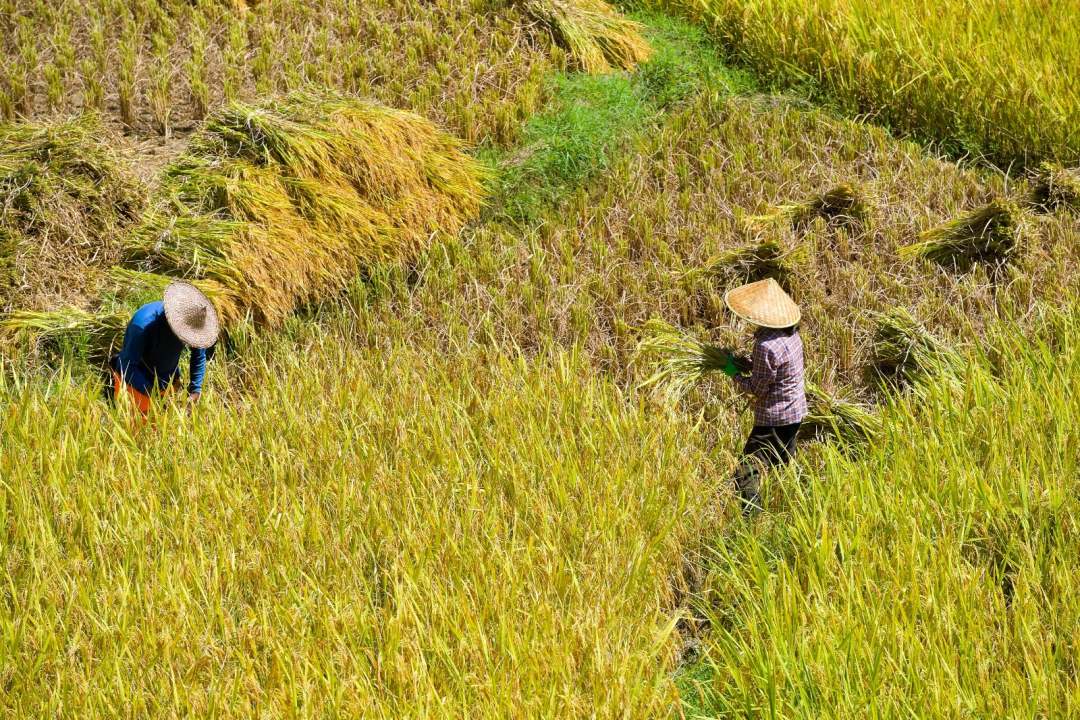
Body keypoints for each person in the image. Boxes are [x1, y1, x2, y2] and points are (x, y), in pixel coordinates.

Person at [720, 278, 807, 514]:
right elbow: (777, 371)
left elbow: (757, 388)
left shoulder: (765, 346)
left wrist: (731, 371)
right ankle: (794, 508)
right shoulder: (792, 336)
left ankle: (751, 519)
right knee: (782, 465)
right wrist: (747, 363)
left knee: (745, 471)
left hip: (774, 419)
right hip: (795, 412)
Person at [108, 282, 220, 416]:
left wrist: (196, 389)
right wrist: (155, 396)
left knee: (166, 428)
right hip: (136, 379)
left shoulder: (193, 320)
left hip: (166, 378)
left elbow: (199, 355)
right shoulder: (142, 325)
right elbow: (128, 367)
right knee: (139, 429)